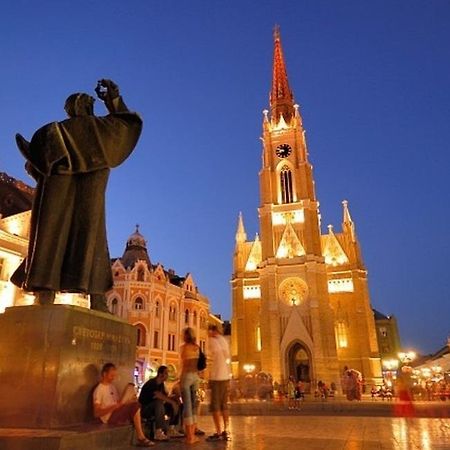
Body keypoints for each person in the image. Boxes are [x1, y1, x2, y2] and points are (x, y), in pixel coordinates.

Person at [11, 79, 142, 310]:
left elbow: (34, 165)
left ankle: (45, 292)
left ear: (70, 109)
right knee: (91, 239)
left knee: (51, 237)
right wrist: (114, 101)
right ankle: (97, 298)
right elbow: (127, 124)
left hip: (57, 200)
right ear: (87, 107)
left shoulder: (51, 133)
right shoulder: (102, 130)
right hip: (87, 200)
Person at [93, 363, 153, 447]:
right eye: (111, 375)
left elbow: (118, 403)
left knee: (134, 400)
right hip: (109, 417)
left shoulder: (112, 387)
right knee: (135, 406)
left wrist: (127, 401)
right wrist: (115, 406)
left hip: (116, 412)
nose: (113, 378)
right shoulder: (99, 390)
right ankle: (140, 437)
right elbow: (97, 413)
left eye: (114, 375)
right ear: (104, 374)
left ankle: (138, 427)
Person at [139, 366, 183, 440]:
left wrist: (175, 398)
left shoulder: (161, 384)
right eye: (166, 373)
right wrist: (172, 402)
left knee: (176, 402)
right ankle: (158, 432)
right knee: (159, 402)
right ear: (160, 374)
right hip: (145, 409)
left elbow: (165, 396)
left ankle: (171, 429)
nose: (167, 375)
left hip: (155, 408)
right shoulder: (152, 383)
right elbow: (158, 395)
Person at [206, 324, 231, 442]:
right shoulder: (224, 340)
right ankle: (226, 430)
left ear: (212, 331)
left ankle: (219, 432)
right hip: (225, 376)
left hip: (217, 377)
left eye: (209, 331)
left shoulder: (212, 340)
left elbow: (212, 356)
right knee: (224, 405)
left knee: (215, 406)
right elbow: (226, 355)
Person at [180, 327, 201, 444]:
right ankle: (192, 434)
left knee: (187, 407)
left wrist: (180, 380)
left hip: (187, 377)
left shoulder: (184, 348)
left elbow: (184, 364)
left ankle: (190, 437)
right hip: (195, 377)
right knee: (193, 407)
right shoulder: (197, 347)